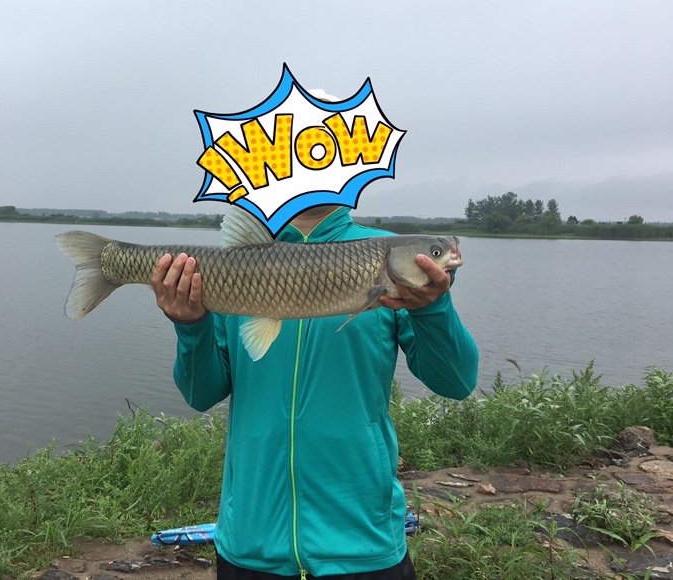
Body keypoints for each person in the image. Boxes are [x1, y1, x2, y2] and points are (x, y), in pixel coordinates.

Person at [151, 204, 479, 580]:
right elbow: (201, 394)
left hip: (363, 542)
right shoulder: (236, 261)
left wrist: (432, 308)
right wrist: (190, 325)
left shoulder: (387, 261)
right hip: (250, 542)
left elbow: (456, 382)